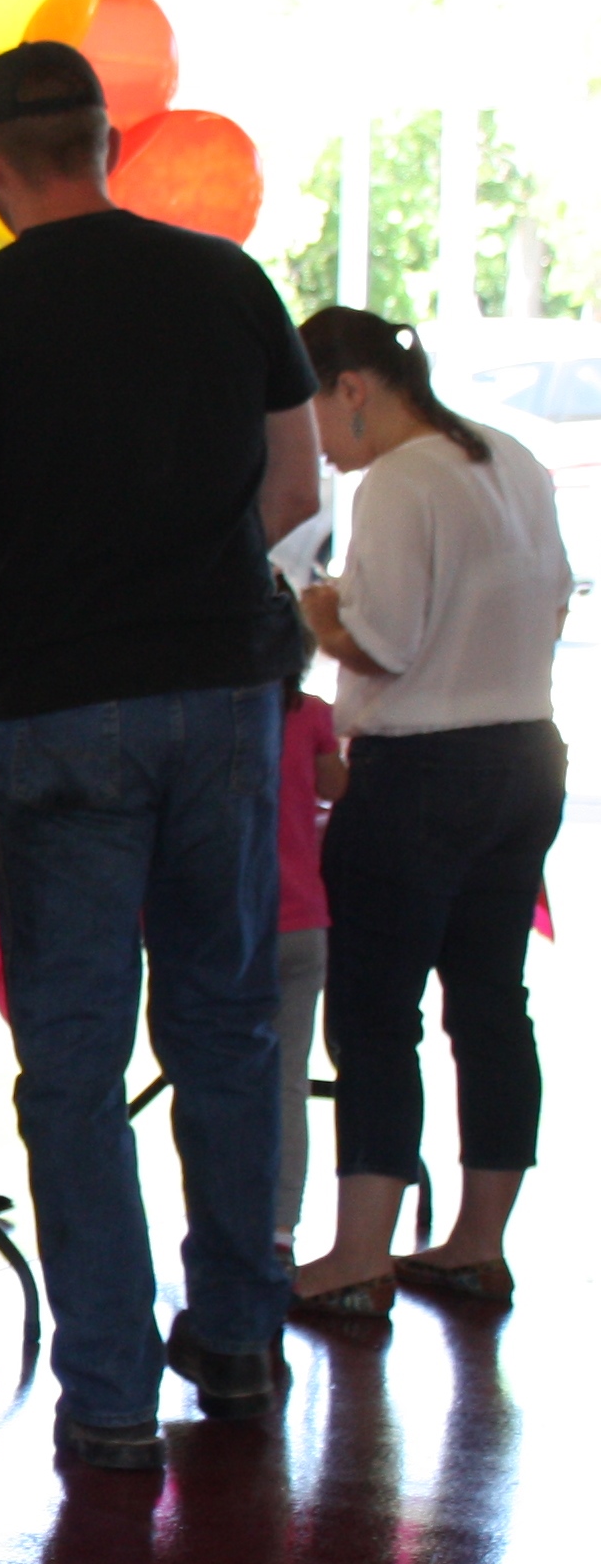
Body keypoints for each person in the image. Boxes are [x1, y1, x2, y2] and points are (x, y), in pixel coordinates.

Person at [0, 38, 322, 1471]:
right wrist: (188, 584)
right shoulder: (228, 281)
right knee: (227, 1025)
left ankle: (111, 1386)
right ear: (105, 145)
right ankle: (242, 1342)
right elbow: (298, 483)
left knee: (71, 1056)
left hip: (67, 702)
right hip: (223, 694)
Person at [285, 306, 568, 1317]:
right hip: (524, 752)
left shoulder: (397, 481)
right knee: (489, 1002)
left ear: (350, 387)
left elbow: (381, 642)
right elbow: (556, 597)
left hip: (418, 769)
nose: (313, 439)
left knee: (371, 1012)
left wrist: (317, 608)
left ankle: (356, 1253)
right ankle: (473, 1242)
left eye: (311, 408)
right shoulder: (508, 454)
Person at [266, 632, 342, 1262]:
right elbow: (334, 788)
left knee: (222, 1079)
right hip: (303, 920)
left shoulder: (218, 721)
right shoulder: (312, 714)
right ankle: (280, 1229)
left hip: (233, 927)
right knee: (289, 1082)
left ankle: (225, 1214)